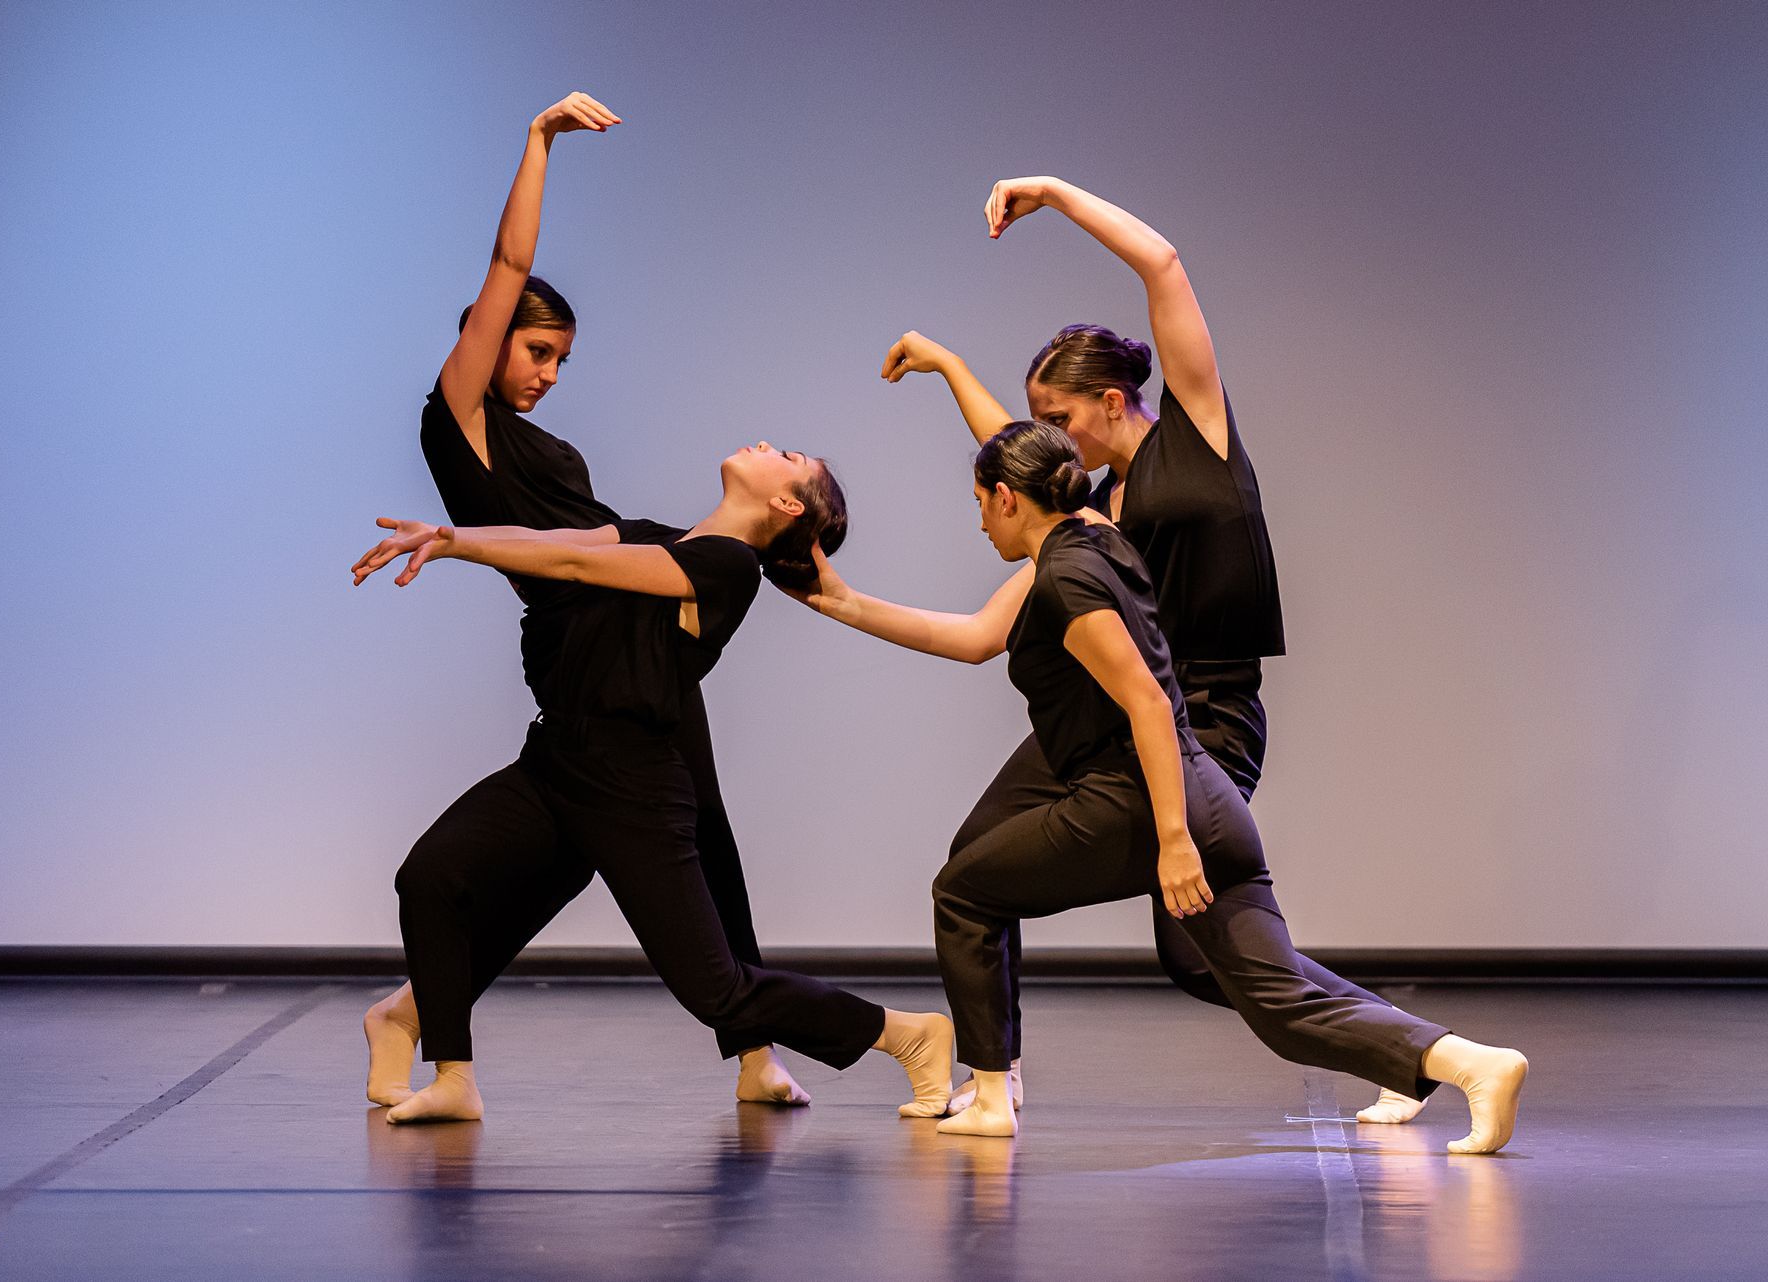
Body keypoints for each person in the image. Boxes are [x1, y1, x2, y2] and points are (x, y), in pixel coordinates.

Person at [794, 420, 1527, 1150]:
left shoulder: (1064, 580)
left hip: (1138, 802)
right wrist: (842, 601)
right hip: (1211, 799)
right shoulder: (1096, 540)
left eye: (982, 500)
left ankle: (991, 1093)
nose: (979, 520)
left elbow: (1145, 699)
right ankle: (1474, 1064)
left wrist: (1171, 842)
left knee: (963, 890)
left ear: (1011, 499)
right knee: (1277, 999)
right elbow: (974, 635)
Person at [878, 175, 1423, 1125]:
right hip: (1118, 718)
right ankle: (991, 1076)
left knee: (1197, 948)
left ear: (1114, 399)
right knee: (973, 866)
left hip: (1201, 719)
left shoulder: (1195, 436)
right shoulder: (1096, 512)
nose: (1049, 434)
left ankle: (1392, 1047)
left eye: (1061, 415)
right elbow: (1009, 455)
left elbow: (1162, 262)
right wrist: (946, 363)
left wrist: (1052, 192)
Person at [363, 90, 808, 1109]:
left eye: (562, 359)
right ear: (486, 339)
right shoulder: (459, 420)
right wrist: (536, 143)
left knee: (708, 828)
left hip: (625, 598)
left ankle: (752, 1052)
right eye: (536, 352)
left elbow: (599, 539)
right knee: (555, 869)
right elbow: (509, 269)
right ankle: (420, 1020)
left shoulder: (549, 445)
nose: (550, 374)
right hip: (579, 636)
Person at [350, 441, 955, 1125]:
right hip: (553, 760)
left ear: (787, 503)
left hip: (631, 785)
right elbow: (549, 540)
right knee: (430, 877)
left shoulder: (729, 566)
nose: (766, 444)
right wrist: (445, 533)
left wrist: (456, 546)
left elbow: (577, 562)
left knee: (716, 991)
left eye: (787, 455)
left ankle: (905, 1034)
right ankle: (453, 1076)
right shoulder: (653, 535)